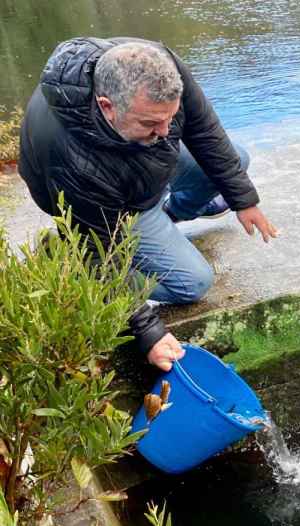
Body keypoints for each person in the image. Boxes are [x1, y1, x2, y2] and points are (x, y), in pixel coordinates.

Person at [19, 37, 278, 370]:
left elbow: (203, 129)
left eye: (169, 118)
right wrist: (147, 332)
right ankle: (67, 251)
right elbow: (102, 253)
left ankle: (170, 215)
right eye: (151, 123)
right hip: (105, 204)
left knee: (235, 161)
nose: (166, 131)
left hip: (141, 166)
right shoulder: (71, 159)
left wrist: (244, 200)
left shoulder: (157, 66)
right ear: (107, 106)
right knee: (193, 282)